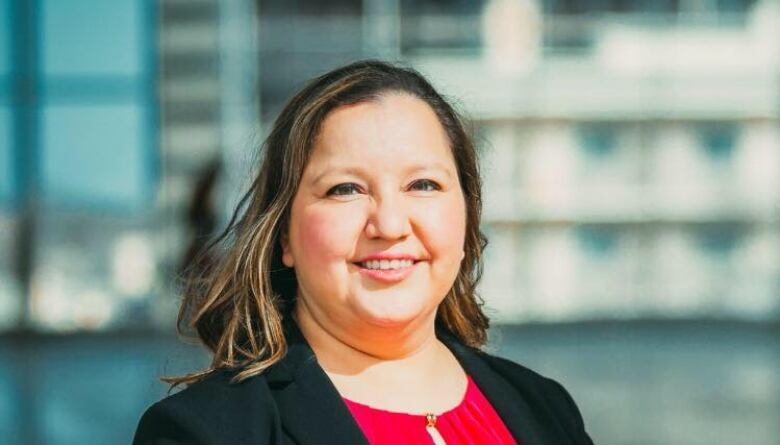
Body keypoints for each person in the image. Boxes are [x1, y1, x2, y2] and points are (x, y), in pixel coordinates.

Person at [133, 60, 594, 445]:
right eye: (346, 189)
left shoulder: (546, 410)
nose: (390, 225)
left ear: (467, 214)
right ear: (284, 236)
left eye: (423, 184)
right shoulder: (205, 432)